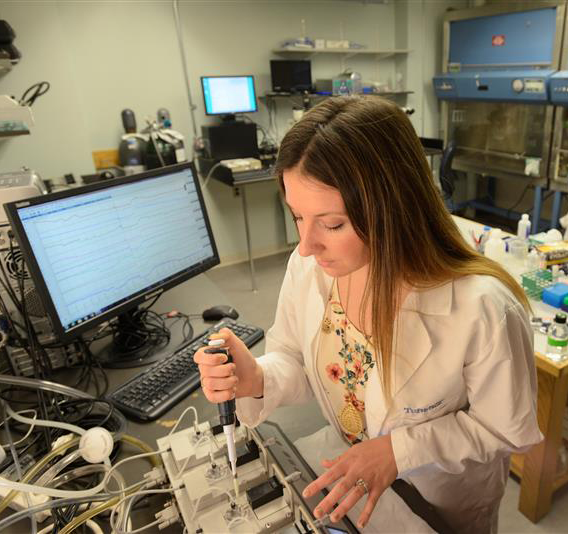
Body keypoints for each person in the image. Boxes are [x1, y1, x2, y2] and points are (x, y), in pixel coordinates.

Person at [194, 95, 543, 533]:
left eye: (332, 224)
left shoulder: (483, 308)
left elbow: (507, 429)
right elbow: (295, 357)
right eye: (298, 216)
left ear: (392, 207)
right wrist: (259, 377)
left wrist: (400, 450)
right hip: (351, 479)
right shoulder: (310, 268)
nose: (306, 245)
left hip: (440, 502)